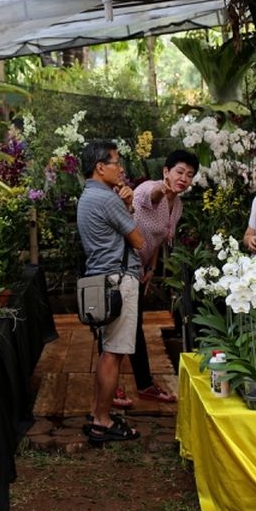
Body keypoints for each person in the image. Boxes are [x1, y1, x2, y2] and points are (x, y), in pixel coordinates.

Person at [112, 149, 199, 406]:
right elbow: (151, 196)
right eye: (179, 172)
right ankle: (114, 386)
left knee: (133, 326)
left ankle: (143, 384)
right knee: (116, 325)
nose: (184, 178)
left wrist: (150, 268)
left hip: (138, 271)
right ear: (166, 172)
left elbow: (160, 238)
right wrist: (163, 188)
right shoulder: (147, 189)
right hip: (120, 267)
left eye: (190, 175)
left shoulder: (178, 205)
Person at [76, 140, 145, 442]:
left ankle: (96, 413)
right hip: (118, 281)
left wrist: (125, 204)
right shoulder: (106, 199)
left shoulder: (88, 197)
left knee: (107, 350)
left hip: (101, 279)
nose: (121, 168)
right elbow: (139, 240)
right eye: (116, 162)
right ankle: (102, 422)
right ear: (100, 167)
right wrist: (128, 206)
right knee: (113, 354)